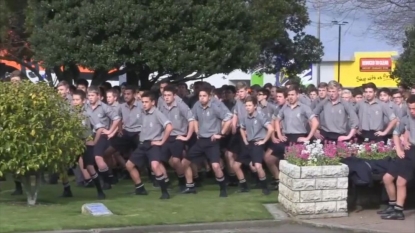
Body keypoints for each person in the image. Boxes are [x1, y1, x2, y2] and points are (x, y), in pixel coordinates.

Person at [181, 85, 233, 197]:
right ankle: (190, 186)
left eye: (204, 96)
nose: (201, 98)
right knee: (185, 162)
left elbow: (228, 119)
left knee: (215, 166)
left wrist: (221, 134)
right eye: (200, 96)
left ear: (209, 97)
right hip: (200, 141)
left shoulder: (215, 107)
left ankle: (223, 188)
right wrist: (196, 131)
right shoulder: (197, 105)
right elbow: (193, 118)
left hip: (212, 141)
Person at [125, 91, 173, 199]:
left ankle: (165, 192)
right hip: (143, 144)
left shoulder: (157, 113)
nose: (144, 104)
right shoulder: (143, 111)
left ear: (153, 102)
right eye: (143, 102)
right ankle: (140, 188)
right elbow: (135, 103)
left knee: (155, 166)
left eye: (146, 102)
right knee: (129, 165)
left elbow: (169, 127)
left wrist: (161, 141)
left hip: (153, 144)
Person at [379, 95, 415, 220]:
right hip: (408, 151)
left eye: (414, 109)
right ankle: (392, 206)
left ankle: (399, 211)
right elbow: (398, 132)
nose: (412, 111)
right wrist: (400, 147)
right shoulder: (407, 117)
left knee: (401, 181)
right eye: (410, 108)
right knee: (387, 178)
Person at [233, 96, 273, 195]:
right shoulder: (244, 117)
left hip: (257, 143)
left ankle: (265, 187)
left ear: (255, 106)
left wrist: (263, 141)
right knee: (235, 165)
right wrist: (245, 140)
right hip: (249, 143)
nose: (247, 107)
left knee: (258, 166)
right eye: (246, 106)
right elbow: (242, 128)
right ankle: (244, 186)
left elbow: (271, 129)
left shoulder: (260, 115)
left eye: (250, 105)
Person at [158, 84, 195, 192]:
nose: (166, 97)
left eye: (169, 95)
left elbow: (191, 120)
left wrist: (187, 136)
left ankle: (182, 180)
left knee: (176, 160)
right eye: (165, 95)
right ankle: (166, 182)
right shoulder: (162, 106)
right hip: (166, 136)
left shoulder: (181, 105)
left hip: (178, 136)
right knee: (158, 160)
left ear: (174, 95)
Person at [85, 86, 121, 192]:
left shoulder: (104, 107)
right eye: (89, 95)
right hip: (88, 135)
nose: (90, 97)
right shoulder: (85, 106)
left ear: (98, 96)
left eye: (92, 95)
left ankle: (106, 181)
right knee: (88, 160)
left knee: (98, 157)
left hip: (102, 135)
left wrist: (110, 131)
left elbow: (117, 118)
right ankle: (107, 177)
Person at [274, 86, 319, 156]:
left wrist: (308, 138)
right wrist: (279, 135)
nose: (290, 97)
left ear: (297, 95)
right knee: (270, 158)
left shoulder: (304, 107)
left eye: (292, 95)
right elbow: (277, 120)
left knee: (292, 158)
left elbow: (315, 122)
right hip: (287, 137)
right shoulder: (285, 107)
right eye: (289, 95)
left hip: (299, 137)